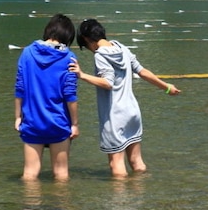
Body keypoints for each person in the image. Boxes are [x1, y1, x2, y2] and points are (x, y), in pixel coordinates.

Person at [70, 18, 180, 177]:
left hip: (115, 117)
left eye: (86, 46)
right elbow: (142, 71)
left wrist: (81, 75)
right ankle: (139, 195)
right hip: (133, 112)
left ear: (87, 39)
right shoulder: (121, 47)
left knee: (117, 164)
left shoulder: (100, 55)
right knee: (137, 161)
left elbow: (108, 83)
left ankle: (121, 202)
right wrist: (166, 87)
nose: (90, 50)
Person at [14, 13, 79, 181]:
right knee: (61, 173)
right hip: (58, 121)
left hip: (32, 121)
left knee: (29, 173)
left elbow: (19, 88)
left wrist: (17, 117)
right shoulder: (68, 57)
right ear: (68, 36)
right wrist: (74, 124)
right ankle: (62, 206)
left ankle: (30, 207)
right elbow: (70, 94)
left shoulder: (27, 53)